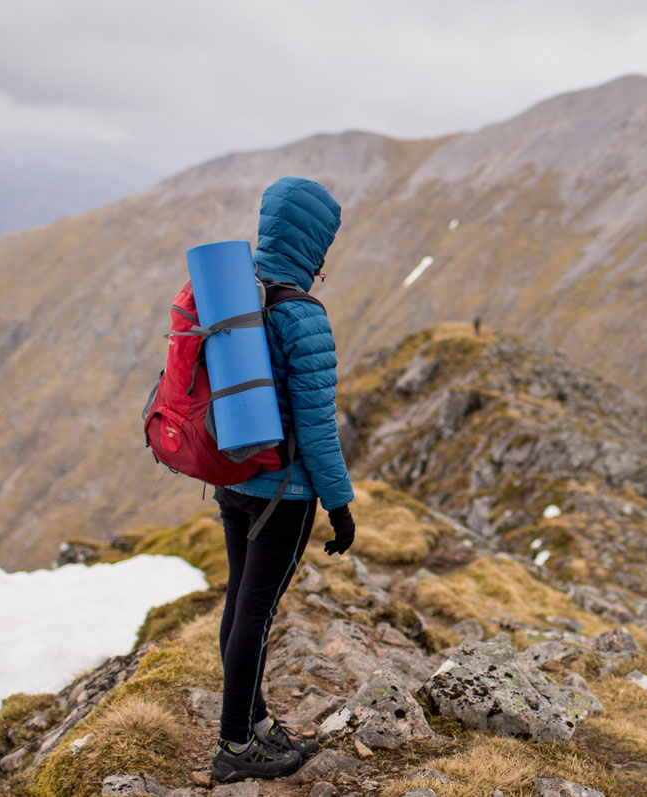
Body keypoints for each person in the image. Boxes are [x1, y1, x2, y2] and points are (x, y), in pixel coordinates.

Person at [210, 176, 356, 783]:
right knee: (257, 614)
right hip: (284, 494)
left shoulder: (233, 298)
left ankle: (256, 723)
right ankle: (237, 748)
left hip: (233, 479)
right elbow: (319, 428)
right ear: (313, 244)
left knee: (240, 603)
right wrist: (340, 505)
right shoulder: (302, 316)